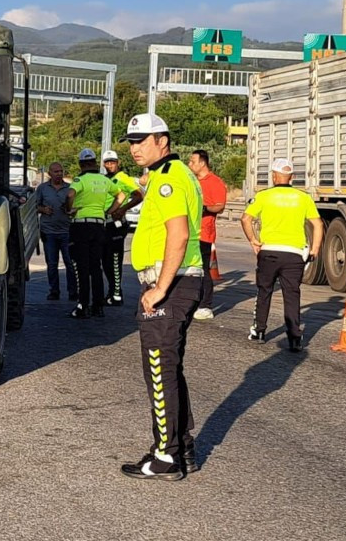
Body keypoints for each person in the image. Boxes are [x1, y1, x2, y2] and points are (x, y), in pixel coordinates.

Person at [119, 112, 204, 481]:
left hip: (171, 284)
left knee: (158, 370)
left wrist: (159, 289)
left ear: (163, 141)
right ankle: (180, 447)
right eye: (132, 142)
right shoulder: (170, 176)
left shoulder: (169, 179)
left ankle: (166, 456)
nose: (135, 148)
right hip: (179, 282)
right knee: (169, 369)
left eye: (142, 140)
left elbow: (179, 234)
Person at [240, 158, 323, 352]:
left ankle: (259, 330)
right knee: (291, 294)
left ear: (274, 176)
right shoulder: (303, 197)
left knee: (264, 290)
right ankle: (294, 337)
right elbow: (318, 224)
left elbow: (245, 218)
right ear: (292, 177)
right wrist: (315, 249)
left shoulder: (264, 196)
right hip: (294, 254)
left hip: (269, 251)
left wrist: (253, 240)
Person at [64, 148, 122, 319]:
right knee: (96, 267)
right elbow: (121, 194)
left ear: (81, 164)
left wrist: (69, 209)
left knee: (82, 267)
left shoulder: (80, 180)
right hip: (99, 226)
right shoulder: (104, 180)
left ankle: (83, 306)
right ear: (95, 163)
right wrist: (110, 211)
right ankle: (98, 306)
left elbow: (69, 194)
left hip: (81, 226)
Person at [101, 150, 144, 306]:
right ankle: (111, 291)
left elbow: (139, 195)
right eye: (108, 162)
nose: (110, 165)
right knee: (105, 260)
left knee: (114, 259)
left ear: (118, 162)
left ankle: (117, 294)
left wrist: (123, 209)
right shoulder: (106, 179)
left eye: (113, 162)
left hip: (117, 224)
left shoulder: (123, 178)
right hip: (105, 223)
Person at [189, 150, 227, 320]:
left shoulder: (215, 182)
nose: (190, 165)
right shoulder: (193, 181)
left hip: (204, 233)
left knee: (203, 270)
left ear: (202, 163)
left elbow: (220, 205)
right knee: (189, 270)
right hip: (189, 233)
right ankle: (191, 301)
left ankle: (206, 305)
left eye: (192, 161)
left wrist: (204, 208)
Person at [33, 162, 77, 303]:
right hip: (49, 232)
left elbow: (76, 206)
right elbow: (34, 206)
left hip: (67, 231)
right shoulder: (42, 188)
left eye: (61, 171)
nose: (59, 174)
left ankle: (73, 292)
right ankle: (54, 291)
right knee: (52, 264)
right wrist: (43, 210)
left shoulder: (69, 188)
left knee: (70, 263)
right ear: (49, 174)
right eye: (56, 171)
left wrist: (72, 210)